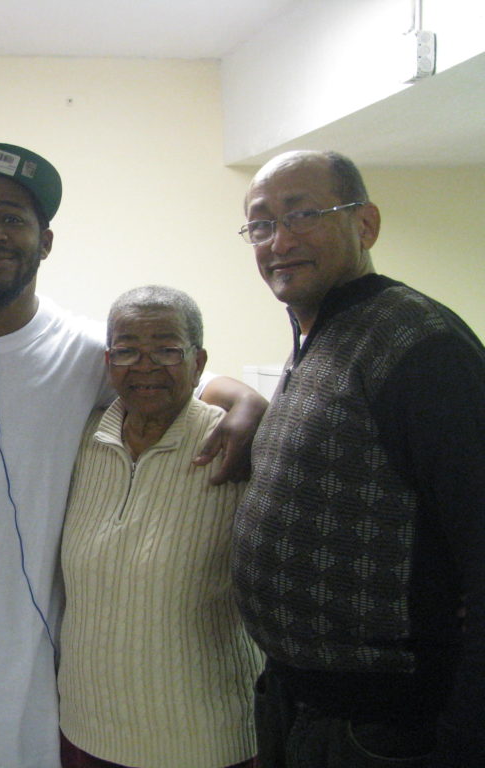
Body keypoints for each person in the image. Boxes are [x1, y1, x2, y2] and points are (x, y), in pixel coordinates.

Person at [0, 142, 267, 767]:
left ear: (46, 239)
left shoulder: (88, 351)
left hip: (28, 678)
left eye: (13, 218)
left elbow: (182, 385)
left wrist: (248, 401)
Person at [232, 150, 485, 767]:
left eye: (304, 214)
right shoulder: (322, 337)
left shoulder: (417, 343)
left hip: (388, 730)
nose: (279, 240)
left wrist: (465, 740)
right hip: (305, 709)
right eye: (261, 224)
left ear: (365, 225)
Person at [59, 285, 261, 768]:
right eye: (127, 350)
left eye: (167, 349)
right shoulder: (78, 440)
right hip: (87, 729)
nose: (145, 365)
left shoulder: (238, 447)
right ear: (108, 362)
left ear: (198, 360)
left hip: (206, 741)